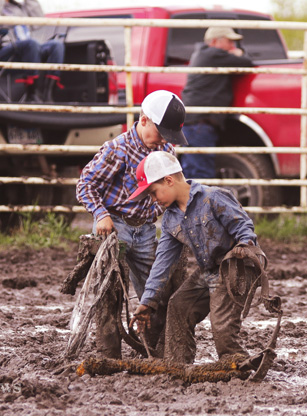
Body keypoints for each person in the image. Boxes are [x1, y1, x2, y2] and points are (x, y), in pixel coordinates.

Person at [76, 90, 188, 359]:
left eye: (168, 134)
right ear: (144, 119)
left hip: (146, 229)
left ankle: (155, 349)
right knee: (108, 292)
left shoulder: (166, 149)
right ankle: (109, 353)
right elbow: (86, 184)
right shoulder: (118, 149)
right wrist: (101, 215)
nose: (163, 138)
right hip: (114, 225)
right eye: (160, 131)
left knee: (155, 288)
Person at [129, 151, 263, 364]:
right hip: (210, 270)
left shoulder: (213, 197)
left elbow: (243, 227)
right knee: (178, 306)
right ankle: (178, 363)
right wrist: (148, 301)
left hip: (237, 265)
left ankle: (236, 362)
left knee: (222, 324)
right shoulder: (171, 219)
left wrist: (244, 245)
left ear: (169, 180)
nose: (153, 200)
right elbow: (163, 261)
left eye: (154, 193)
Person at [181, 26, 253, 179]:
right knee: (200, 172)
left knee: (192, 169)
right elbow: (246, 63)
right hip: (200, 123)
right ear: (214, 41)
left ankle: (190, 202)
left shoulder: (202, 54)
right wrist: (239, 54)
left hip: (193, 122)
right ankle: (198, 203)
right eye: (229, 41)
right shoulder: (214, 54)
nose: (232, 46)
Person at [0, 0, 65, 102]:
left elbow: (39, 22)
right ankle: (32, 93)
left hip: (29, 49)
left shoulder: (19, 7)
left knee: (56, 45)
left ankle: (48, 94)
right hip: (6, 50)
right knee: (31, 44)